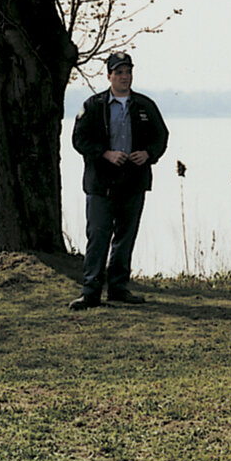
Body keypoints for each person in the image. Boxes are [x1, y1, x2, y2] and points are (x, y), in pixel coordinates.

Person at [69, 50, 169, 310]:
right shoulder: (93, 105)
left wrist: (148, 154)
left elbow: (161, 137)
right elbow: (79, 139)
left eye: (128, 72)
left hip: (133, 182)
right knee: (99, 235)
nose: (125, 77)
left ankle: (118, 289)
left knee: (125, 237)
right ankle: (90, 292)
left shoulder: (145, 105)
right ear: (109, 76)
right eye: (119, 73)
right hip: (101, 184)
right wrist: (105, 153)